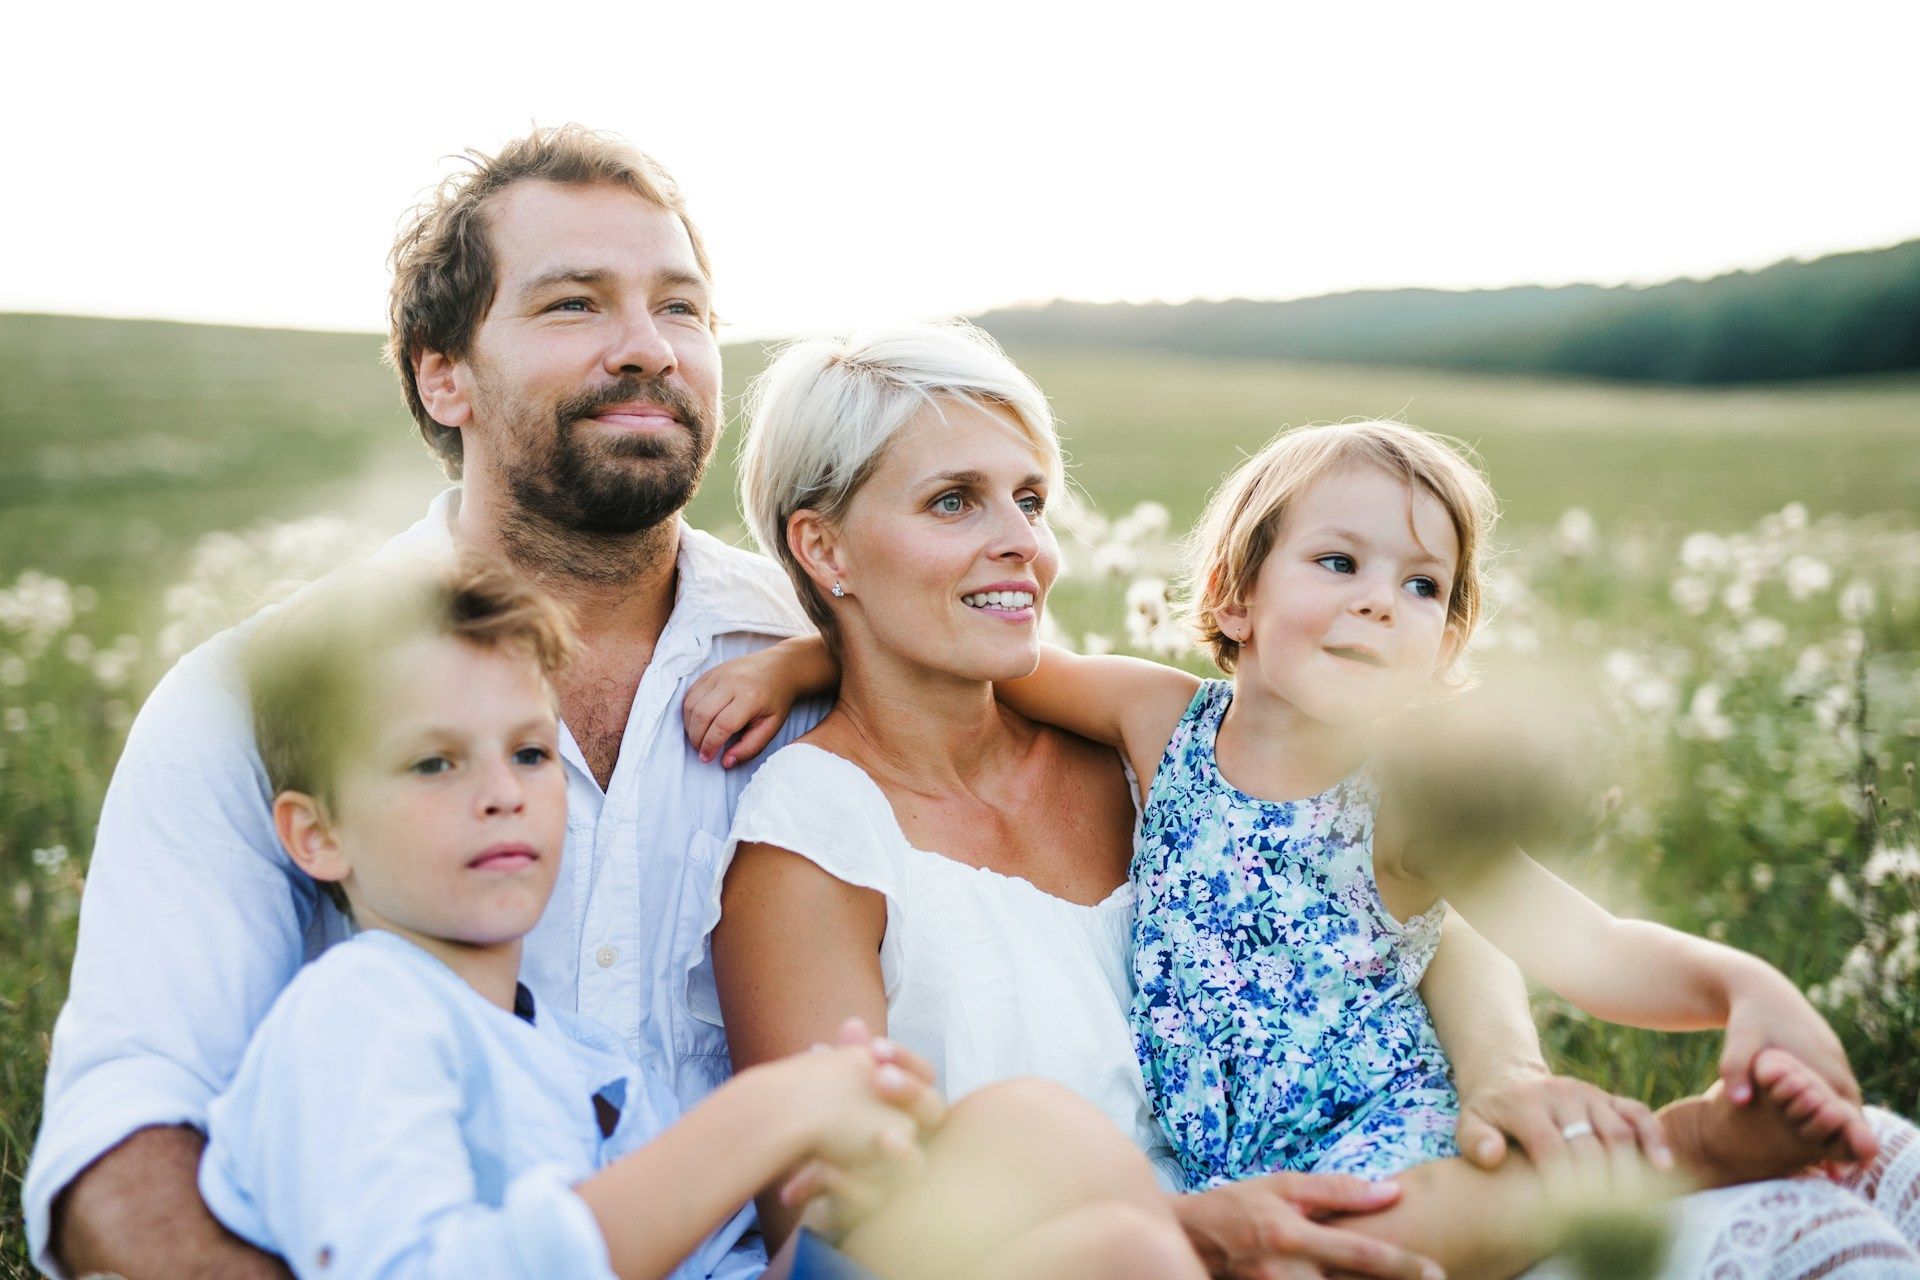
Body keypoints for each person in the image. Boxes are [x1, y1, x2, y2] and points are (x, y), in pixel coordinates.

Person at [687, 325, 1920, 1279]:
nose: (1023, 543)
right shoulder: (856, 810)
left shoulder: (1152, 740)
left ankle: (1697, 1157)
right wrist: (808, 655)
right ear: (827, 551)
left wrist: (1565, 1045)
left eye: (1030, 497)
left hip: (1375, 1166)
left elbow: (1481, 917)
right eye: (956, 500)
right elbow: (828, 1217)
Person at [24, 125, 834, 1280]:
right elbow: (128, 1129)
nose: (648, 348)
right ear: (439, 372)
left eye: (683, 308)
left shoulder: (824, 664)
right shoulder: (253, 697)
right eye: (573, 305)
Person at [208, 550, 1203, 1280]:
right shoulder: (357, 1009)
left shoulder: (562, 1048)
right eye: (434, 762)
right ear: (316, 836)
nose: (504, 792)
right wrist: (767, 1114)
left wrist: (839, 1190)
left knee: (1034, 1134)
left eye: (528, 752)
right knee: (1120, 1252)